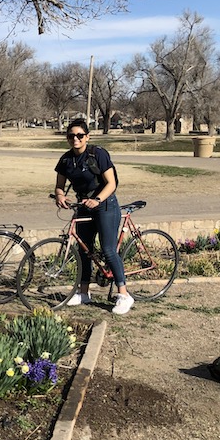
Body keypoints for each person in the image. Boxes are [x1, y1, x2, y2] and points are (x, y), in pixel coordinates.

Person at [54, 119, 133, 314]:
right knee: (84, 251)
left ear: (87, 137)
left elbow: (111, 183)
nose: (76, 139)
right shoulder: (65, 160)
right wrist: (60, 196)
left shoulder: (98, 154)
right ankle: (83, 293)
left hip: (105, 205)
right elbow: (59, 185)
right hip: (83, 206)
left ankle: (124, 294)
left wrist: (97, 199)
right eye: (71, 136)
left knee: (108, 249)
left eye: (80, 135)